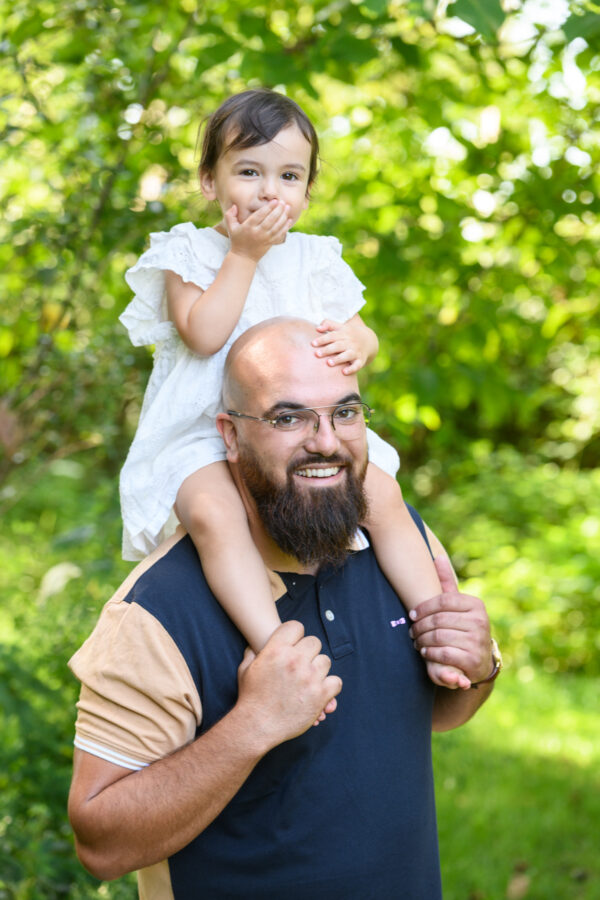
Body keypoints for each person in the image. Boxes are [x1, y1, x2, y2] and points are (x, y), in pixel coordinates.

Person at [68, 317, 501, 899]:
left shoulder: (398, 545)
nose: (325, 441)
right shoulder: (161, 611)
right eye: (288, 417)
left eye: (345, 413)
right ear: (230, 434)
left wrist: (477, 666)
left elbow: (432, 711)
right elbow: (101, 845)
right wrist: (253, 726)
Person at [118, 87, 469, 689]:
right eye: (248, 171)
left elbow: (360, 333)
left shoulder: (316, 258)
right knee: (214, 514)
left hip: (305, 430)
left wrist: (360, 345)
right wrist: (244, 256)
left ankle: (435, 622)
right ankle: (277, 644)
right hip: (203, 435)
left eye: (288, 176)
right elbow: (204, 335)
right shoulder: (188, 253)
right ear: (209, 180)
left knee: (381, 496)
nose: (268, 191)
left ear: (307, 192)